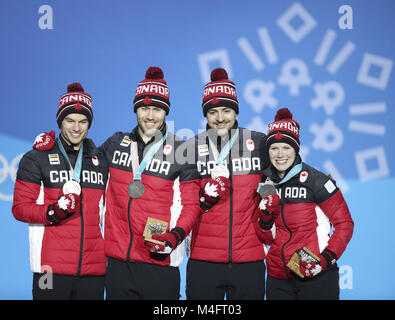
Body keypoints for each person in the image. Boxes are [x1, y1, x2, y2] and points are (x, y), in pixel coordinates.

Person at [98, 66, 201, 299]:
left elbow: (192, 205)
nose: (150, 116)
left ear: (165, 112)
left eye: (157, 109)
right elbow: (85, 166)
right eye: (144, 108)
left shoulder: (182, 150)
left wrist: (176, 235)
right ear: (136, 110)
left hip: (160, 261)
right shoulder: (116, 143)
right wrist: (49, 151)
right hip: (118, 263)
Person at [12, 83, 108, 300]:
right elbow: (20, 208)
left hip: (93, 270)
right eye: (70, 121)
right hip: (50, 268)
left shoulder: (99, 160)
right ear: (60, 121)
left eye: (83, 121)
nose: (77, 127)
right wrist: (53, 211)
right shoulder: (36, 158)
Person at [186, 67, 271, 300]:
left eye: (226, 110)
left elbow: (283, 173)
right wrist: (203, 199)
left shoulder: (258, 143)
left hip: (249, 260)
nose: (220, 118)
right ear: (206, 115)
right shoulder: (191, 147)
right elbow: (181, 201)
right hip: (204, 260)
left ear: (235, 111)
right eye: (213, 112)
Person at [256, 107, 354, 300]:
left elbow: (345, 224)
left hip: (316, 277)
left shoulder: (316, 181)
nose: (280, 154)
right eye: (274, 148)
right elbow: (266, 238)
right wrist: (265, 218)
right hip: (278, 277)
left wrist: (324, 260)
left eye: (286, 147)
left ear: (296, 149)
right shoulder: (265, 184)